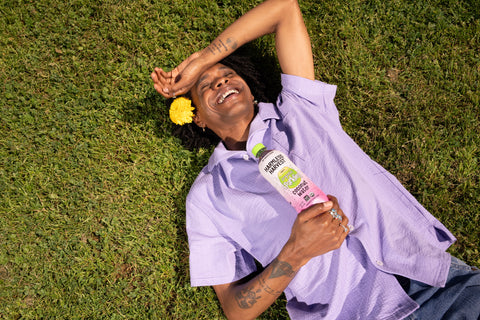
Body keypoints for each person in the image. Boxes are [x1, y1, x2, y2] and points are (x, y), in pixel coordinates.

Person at [151, 0, 480, 319]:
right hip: (358, 312)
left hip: (437, 278)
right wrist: (297, 251)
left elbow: (284, 9)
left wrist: (202, 60)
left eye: (227, 73)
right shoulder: (208, 197)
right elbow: (235, 308)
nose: (220, 80)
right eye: (206, 85)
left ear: (251, 90)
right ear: (197, 119)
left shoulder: (300, 109)